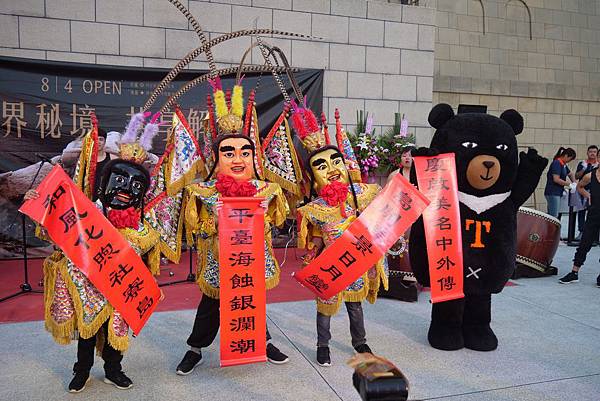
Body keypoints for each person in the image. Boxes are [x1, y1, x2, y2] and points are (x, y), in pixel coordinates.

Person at [24, 115, 164, 393]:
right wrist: (37, 202)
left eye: (136, 186)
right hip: (88, 284)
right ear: (103, 184)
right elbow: (56, 227)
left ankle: (114, 369)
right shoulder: (86, 213)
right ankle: (82, 371)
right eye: (119, 180)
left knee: (116, 331)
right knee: (87, 332)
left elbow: (149, 258)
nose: (126, 189)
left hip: (121, 287)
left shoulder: (144, 226)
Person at [176, 78, 290, 375]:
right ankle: (195, 348)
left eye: (245, 152)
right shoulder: (203, 192)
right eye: (229, 153)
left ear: (254, 156)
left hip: (251, 260)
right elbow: (195, 229)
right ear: (216, 158)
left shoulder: (266, 190)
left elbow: (279, 223)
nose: (238, 159)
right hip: (218, 259)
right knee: (209, 305)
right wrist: (214, 222)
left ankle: (263, 341)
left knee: (252, 299)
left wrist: (264, 217)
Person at [294, 105, 387, 367]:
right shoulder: (315, 207)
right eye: (321, 166)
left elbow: (383, 211)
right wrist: (312, 253)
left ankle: (360, 341)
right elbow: (316, 236)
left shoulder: (361, 194)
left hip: (354, 257)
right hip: (331, 260)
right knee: (325, 307)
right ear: (313, 177)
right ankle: (322, 345)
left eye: (336, 161)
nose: (332, 169)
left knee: (355, 305)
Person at [559, 165, 600, 286]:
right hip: (593, 214)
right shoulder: (590, 176)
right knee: (584, 243)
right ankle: (574, 273)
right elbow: (579, 187)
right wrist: (588, 195)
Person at [574, 145, 599, 240]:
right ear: (587, 153)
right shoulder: (582, 163)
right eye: (590, 151)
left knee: (595, 212)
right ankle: (581, 231)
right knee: (581, 211)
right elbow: (576, 176)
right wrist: (584, 169)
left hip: (595, 191)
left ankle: (595, 235)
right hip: (583, 190)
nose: (592, 153)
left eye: (594, 152)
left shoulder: (598, 165)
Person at [544, 147, 576, 218]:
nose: (569, 161)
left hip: (558, 192)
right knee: (554, 216)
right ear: (566, 156)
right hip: (553, 192)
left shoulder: (563, 164)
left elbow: (570, 174)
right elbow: (556, 179)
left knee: (553, 214)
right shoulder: (557, 163)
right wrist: (569, 184)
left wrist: (575, 183)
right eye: (570, 159)